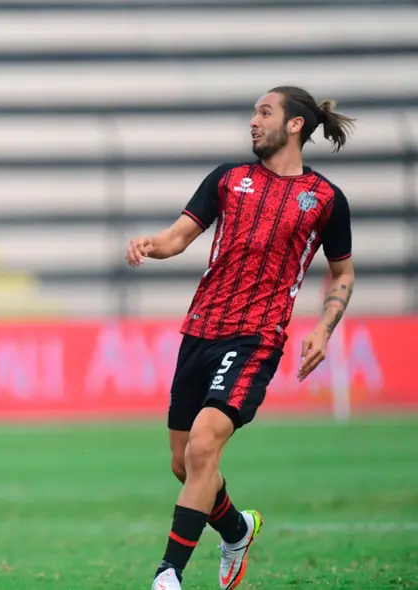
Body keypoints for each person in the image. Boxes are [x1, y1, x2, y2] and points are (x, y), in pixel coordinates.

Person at [125, 86, 356, 590]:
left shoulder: (325, 199)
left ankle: (169, 574)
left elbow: (341, 273)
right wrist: (150, 244)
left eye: (264, 112)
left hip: (256, 337)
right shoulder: (228, 179)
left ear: (295, 125)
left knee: (205, 446)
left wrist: (323, 327)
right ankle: (236, 529)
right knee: (183, 464)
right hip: (200, 329)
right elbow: (178, 237)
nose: (253, 121)